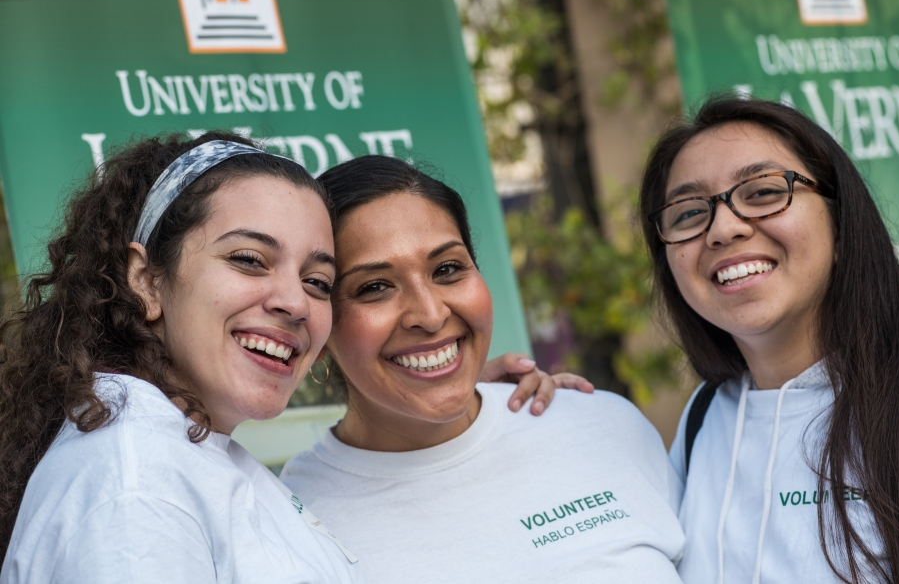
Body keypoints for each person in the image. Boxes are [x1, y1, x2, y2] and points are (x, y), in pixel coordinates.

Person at [280, 155, 686, 584]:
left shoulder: (603, 425)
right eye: (375, 287)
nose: (431, 315)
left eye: (448, 269)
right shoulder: (294, 516)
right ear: (319, 321)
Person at [639, 97, 899, 584]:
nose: (722, 228)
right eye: (687, 215)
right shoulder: (705, 418)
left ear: (842, 224)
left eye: (762, 192)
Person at [0, 134, 363, 582]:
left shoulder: (181, 454)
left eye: (318, 282)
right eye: (249, 259)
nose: (296, 302)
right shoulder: (137, 488)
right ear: (147, 281)